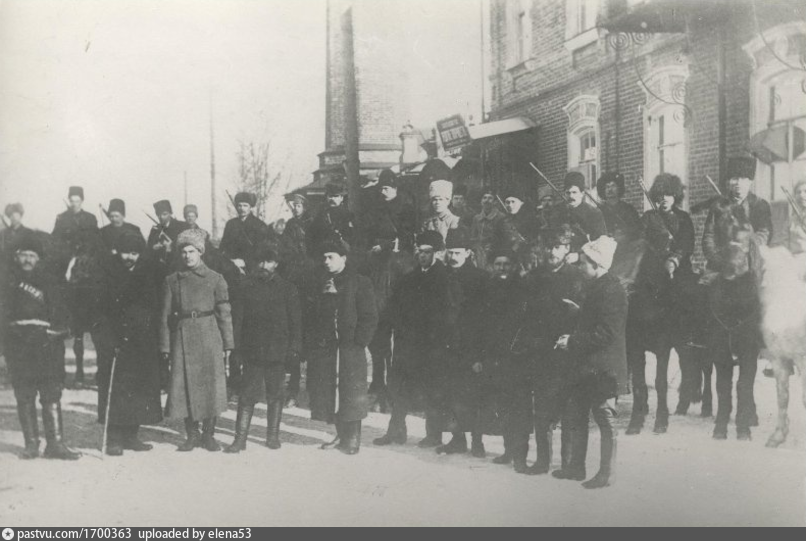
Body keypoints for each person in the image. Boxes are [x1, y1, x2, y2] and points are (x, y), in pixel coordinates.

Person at [553, 236, 627, 489]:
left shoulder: (612, 289)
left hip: (603, 368)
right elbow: (596, 320)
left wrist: (572, 341)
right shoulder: (598, 286)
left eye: (584, 263)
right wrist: (579, 312)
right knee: (576, 414)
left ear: (597, 264)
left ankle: (607, 474)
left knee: (605, 418)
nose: (580, 267)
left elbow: (607, 333)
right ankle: (575, 468)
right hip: (588, 366)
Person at [1, 236, 80, 460]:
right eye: (23, 255)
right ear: (16, 257)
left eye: (32, 255)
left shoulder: (50, 282)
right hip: (18, 345)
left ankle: (55, 444)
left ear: (38, 258)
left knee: (51, 392)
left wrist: (58, 331)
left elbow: (63, 315)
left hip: (46, 346)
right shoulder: (7, 282)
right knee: (24, 394)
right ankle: (31, 444)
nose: (27, 259)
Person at [160, 228, 234, 452]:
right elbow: (164, 316)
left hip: (209, 335)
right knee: (185, 386)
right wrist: (165, 346)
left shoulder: (215, 279)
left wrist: (228, 343)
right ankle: (192, 435)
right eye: (184, 252)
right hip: (182, 336)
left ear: (200, 252)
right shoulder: (172, 280)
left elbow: (224, 312)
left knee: (210, 386)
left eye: (192, 251)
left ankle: (209, 435)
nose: (187, 256)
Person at [519, 226, 585, 475]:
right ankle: (542, 461)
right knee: (542, 410)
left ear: (567, 249)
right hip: (540, 352)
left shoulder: (577, 277)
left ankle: (567, 463)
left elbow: (586, 315)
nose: (551, 251)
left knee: (568, 410)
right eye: (548, 246)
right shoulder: (533, 277)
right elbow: (525, 314)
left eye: (557, 246)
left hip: (568, 352)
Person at [374, 231, 449, 448]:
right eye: (420, 252)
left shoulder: (445, 278)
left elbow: (447, 314)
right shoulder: (408, 278)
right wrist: (390, 327)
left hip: (432, 344)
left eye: (428, 252)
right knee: (399, 386)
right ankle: (396, 430)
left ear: (438, 253)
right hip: (406, 342)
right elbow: (394, 306)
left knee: (432, 387)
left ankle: (434, 434)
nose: (423, 256)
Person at [227, 246, 302, 453]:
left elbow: (296, 322)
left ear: (276, 263)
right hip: (252, 351)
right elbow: (238, 321)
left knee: (275, 395)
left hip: (278, 352)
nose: (263, 266)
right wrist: (236, 349)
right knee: (247, 395)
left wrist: (294, 348)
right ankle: (240, 439)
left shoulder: (287, 289)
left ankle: (272, 436)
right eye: (260, 261)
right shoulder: (246, 287)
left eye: (268, 261)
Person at [308, 241, 378, 455]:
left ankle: (353, 438)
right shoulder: (322, 282)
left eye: (331, 257)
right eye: (324, 257)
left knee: (351, 392)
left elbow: (369, 316)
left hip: (350, 348)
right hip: (328, 347)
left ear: (344, 258)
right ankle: (341, 434)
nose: (326, 262)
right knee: (332, 392)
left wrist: (359, 342)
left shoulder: (360, 282)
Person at [98, 233, 163, 456]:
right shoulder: (108, 273)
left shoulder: (146, 273)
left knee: (138, 388)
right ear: (118, 251)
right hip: (116, 341)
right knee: (117, 389)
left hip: (141, 341)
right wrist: (109, 340)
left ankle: (131, 435)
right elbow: (101, 312)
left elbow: (153, 306)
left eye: (135, 253)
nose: (130, 257)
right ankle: (114, 438)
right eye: (126, 252)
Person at [362, 171, 416, 410]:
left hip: (400, 272)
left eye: (387, 188)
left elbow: (408, 239)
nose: (383, 192)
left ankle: (399, 387)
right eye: (381, 188)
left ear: (395, 188)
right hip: (379, 274)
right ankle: (378, 384)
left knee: (402, 337)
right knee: (379, 334)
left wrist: (386, 245)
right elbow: (366, 237)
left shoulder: (407, 209)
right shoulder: (374, 209)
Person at [478, 250, 532, 472]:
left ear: (514, 266)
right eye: (498, 263)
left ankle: (520, 455)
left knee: (519, 407)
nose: (501, 268)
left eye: (506, 264)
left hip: (517, 357)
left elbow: (526, 323)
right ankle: (508, 450)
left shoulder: (522, 288)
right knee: (503, 406)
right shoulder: (488, 287)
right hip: (495, 356)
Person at [438, 228, 488, 457]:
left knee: (474, 395)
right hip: (447, 345)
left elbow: (485, 318)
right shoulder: (442, 276)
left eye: (458, 252)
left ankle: (477, 441)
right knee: (450, 394)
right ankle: (457, 439)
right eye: (450, 252)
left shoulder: (480, 278)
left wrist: (479, 353)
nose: (453, 257)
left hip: (471, 346)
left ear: (468, 253)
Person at [702, 156, 773, 273]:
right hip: (722, 265)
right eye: (735, 178)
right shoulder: (718, 206)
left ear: (750, 181)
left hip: (750, 263)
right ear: (729, 181)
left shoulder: (760, 205)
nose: (738, 183)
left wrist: (745, 249)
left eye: (744, 178)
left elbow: (764, 234)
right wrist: (719, 260)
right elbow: (708, 237)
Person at [279, 193, 316, 407]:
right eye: (294, 205)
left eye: (299, 205)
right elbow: (284, 250)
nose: (296, 208)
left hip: (311, 284)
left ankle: (312, 388)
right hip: (294, 282)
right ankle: (292, 388)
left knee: (311, 338)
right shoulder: (290, 226)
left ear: (305, 206)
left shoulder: (313, 224)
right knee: (294, 336)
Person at [550, 172, 607, 251]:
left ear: (582, 194)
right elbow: (551, 236)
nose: (571, 196)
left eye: (574, 192)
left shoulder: (594, 213)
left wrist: (579, 255)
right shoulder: (557, 211)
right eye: (568, 193)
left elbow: (600, 243)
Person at [220, 192, 270, 275]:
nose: (242, 208)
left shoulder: (259, 225)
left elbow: (261, 251)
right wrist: (229, 261)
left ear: (250, 207)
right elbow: (223, 246)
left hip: (252, 268)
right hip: (231, 266)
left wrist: (245, 262)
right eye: (239, 205)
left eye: (245, 205)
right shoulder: (231, 224)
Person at [493, 186, 541, 257]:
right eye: (507, 202)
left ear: (521, 203)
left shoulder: (531, 220)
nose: (510, 205)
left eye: (513, 202)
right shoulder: (501, 222)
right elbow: (497, 242)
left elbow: (536, 239)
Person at [308, 182, 356, 252]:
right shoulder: (321, 215)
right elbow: (312, 234)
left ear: (341, 198)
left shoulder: (348, 215)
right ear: (327, 197)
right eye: (330, 196)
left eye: (336, 196)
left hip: (342, 251)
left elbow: (353, 238)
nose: (332, 199)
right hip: (324, 251)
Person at [597, 173, 643, 243]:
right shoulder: (598, 211)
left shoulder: (629, 209)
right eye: (607, 187)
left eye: (613, 186)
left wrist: (624, 234)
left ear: (619, 188)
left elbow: (637, 230)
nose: (610, 189)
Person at [52, 186, 99, 250]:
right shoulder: (61, 218)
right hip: (67, 253)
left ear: (82, 201)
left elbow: (96, 239)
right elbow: (55, 238)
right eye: (72, 201)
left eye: (77, 201)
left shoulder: (90, 218)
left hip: (86, 253)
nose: (74, 204)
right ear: (69, 200)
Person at [469, 190, 505, 270]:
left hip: (495, 252)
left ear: (495, 202)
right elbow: (473, 236)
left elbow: (503, 239)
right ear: (481, 201)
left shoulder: (501, 217)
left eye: (490, 198)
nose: (486, 200)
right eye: (484, 198)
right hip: (479, 253)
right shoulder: (476, 218)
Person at [147, 200, 190, 266]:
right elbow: (148, 250)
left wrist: (171, 247)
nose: (161, 217)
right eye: (158, 215)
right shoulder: (155, 230)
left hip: (178, 266)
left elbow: (188, 248)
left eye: (164, 214)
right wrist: (154, 248)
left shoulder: (182, 227)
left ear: (170, 213)